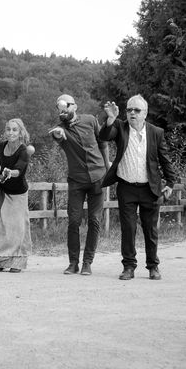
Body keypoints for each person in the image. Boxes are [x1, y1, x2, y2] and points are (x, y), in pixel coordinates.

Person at [100, 94, 177, 281]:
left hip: (149, 188)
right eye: (129, 109)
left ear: (145, 113)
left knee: (150, 230)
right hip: (126, 187)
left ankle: (153, 266)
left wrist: (171, 183)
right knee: (128, 229)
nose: (132, 113)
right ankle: (128, 267)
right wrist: (111, 118)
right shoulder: (120, 127)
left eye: (137, 110)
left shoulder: (156, 132)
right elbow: (103, 136)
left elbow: (164, 159)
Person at [49, 94, 110, 276]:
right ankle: (73, 263)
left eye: (66, 105)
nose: (63, 109)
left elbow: (103, 143)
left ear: (75, 106)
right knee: (74, 221)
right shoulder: (59, 129)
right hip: (76, 181)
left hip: (98, 177)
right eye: (59, 107)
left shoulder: (91, 120)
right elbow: (58, 136)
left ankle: (87, 263)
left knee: (94, 220)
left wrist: (108, 168)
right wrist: (59, 135)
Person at [0, 119, 33, 273]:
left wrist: (10, 172)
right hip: (3, 190)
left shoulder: (24, 151)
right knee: (1, 227)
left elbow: (19, 170)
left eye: (15, 130)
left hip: (18, 194)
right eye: (8, 129)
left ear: (21, 132)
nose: (11, 132)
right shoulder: (2, 146)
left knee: (16, 229)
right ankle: (0, 262)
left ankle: (17, 262)